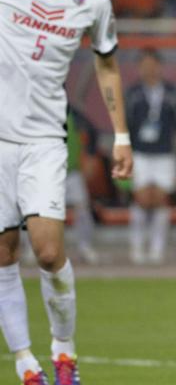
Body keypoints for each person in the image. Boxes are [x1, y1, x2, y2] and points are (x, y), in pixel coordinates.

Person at [0, 0, 131, 385]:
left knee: (49, 252)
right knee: (3, 253)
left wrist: (121, 136)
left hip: (43, 142)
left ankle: (63, 349)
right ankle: (25, 364)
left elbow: (106, 64)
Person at [124, 47, 176, 265]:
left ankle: (157, 249)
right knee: (141, 199)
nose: (149, 69)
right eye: (145, 65)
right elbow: (125, 124)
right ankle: (137, 246)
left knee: (160, 200)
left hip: (164, 154)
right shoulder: (132, 93)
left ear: (160, 67)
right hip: (140, 152)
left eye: (153, 65)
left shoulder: (172, 93)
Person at [65, 105, 100, 265]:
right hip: (43, 172)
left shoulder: (70, 112)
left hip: (71, 171)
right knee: (35, 211)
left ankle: (85, 247)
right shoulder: (32, 109)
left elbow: (92, 131)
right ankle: (32, 249)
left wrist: (90, 156)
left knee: (82, 209)